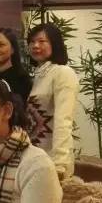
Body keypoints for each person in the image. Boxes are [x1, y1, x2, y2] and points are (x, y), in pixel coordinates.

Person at [26, 23, 79, 180]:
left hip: (52, 162)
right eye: (32, 41)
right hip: (34, 158)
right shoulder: (37, 76)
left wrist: (60, 163)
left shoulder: (63, 73)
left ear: (54, 44)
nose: (36, 46)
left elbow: (64, 120)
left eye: (42, 41)